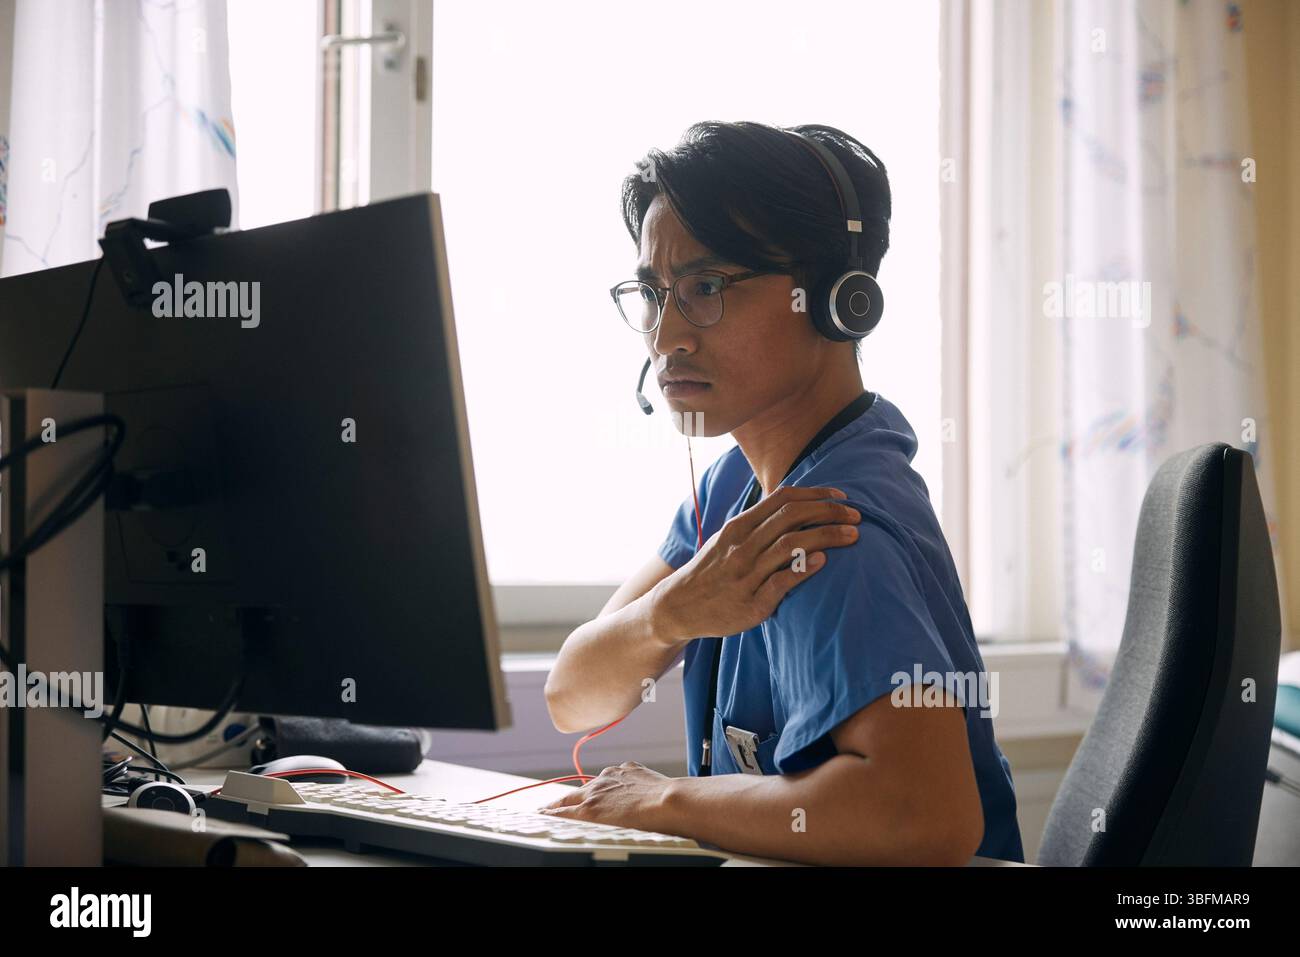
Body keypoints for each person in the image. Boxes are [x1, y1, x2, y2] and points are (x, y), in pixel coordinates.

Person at [542, 121, 1024, 866]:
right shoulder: (741, 481)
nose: (666, 334)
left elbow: (925, 817)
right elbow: (573, 695)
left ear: (838, 301)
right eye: (651, 292)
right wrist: (674, 611)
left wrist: (663, 800)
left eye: (706, 288)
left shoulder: (831, 526)